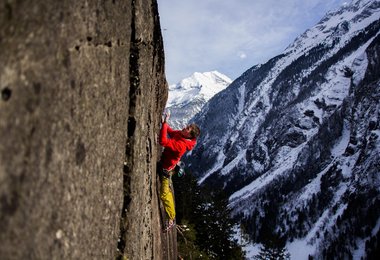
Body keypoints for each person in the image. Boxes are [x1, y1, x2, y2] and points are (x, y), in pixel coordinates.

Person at [158, 110, 200, 232]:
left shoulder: (182, 145)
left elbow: (163, 142)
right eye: (187, 126)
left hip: (167, 169)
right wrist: (165, 123)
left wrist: (164, 124)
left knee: (164, 194)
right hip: (166, 164)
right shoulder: (182, 135)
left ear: (189, 135)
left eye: (187, 129)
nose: (184, 127)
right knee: (166, 191)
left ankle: (171, 218)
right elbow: (171, 132)